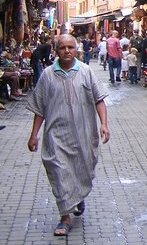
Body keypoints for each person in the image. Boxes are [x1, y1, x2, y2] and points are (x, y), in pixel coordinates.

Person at [26, 34, 110, 237]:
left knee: (82, 170)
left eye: (70, 47)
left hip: (83, 134)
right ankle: (65, 217)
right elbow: (40, 108)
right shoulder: (47, 75)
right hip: (56, 135)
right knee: (58, 171)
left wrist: (104, 124)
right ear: (55, 50)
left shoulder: (86, 71)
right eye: (62, 47)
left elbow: (99, 99)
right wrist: (33, 135)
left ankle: (77, 196)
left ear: (76, 49)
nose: (67, 51)